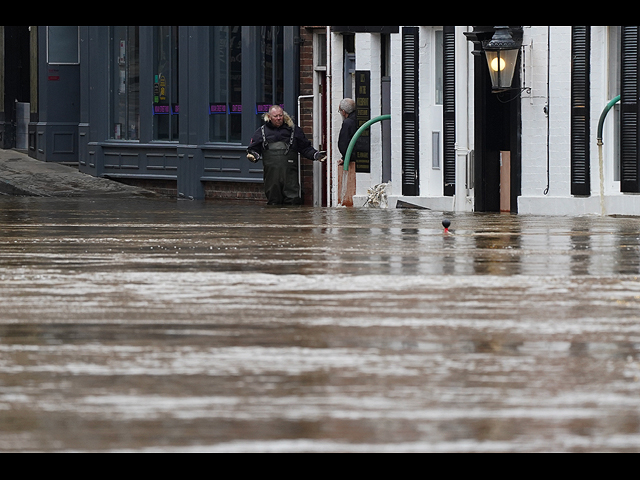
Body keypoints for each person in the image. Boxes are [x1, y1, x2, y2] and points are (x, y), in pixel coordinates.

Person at [247, 105, 326, 205]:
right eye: (275, 116)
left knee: (293, 200)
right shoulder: (261, 132)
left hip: (290, 175)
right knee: (273, 200)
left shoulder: (294, 130)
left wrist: (316, 155)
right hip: (272, 176)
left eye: (281, 115)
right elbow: (253, 149)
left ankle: (292, 219)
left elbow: (305, 148)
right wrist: (253, 156)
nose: (279, 118)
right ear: (269, 117)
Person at [337, 98, 358, 167]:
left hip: (353, 162)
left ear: (343, 112)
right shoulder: (360, 118)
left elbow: (343, 144)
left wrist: (346, 157)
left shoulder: (347, 123)